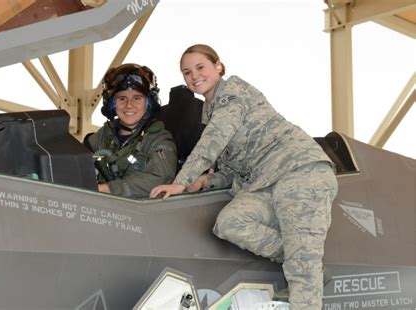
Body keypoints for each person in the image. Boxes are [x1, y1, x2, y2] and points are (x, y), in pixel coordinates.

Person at [150, 44, 338, 309]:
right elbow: (233, 167)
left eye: (200, 67)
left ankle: (306, 264)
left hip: (300, 173)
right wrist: (208, 180)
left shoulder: (234, 93)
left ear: (218, 66)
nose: (194, 76)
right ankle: (308, 262)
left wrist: (181, 181)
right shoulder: (211, 111)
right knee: (230, 222)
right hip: (264, 183)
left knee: (300, 272)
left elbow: (214, 140)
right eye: (186, 72)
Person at [84, 63, 177, 198]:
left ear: (149, 102)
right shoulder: (102, 137)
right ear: (111, 104)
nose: (129, 105)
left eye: (137, 98)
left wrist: (105, 188)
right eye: (122, 98)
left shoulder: (159, 140)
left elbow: (159, 179)